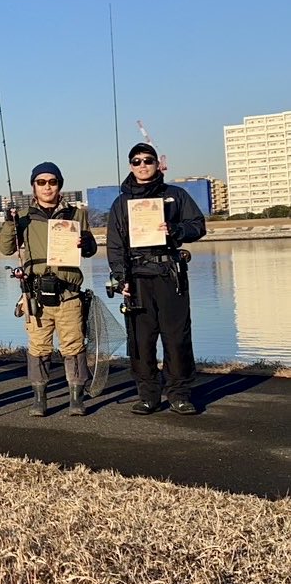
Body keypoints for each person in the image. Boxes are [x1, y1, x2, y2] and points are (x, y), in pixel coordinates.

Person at [107, 143, 206, 415]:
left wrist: (175, 229)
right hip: (137, 278)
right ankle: (149, 395)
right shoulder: (121, 202)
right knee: (141, 341)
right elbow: (114, 244)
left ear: (156, 164)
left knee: (176, 338)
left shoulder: (175, 195)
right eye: (136, 161)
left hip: (169, 276)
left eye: (147, 160)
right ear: (130, 166)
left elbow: (198, 226)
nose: (142, 165)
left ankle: (179, 394)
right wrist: (119, 277)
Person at [0, 162, 97, 416]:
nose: (47, 187)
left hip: (69, 293)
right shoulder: (22, 217)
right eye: (41, 182)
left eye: (52, 182)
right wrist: (10, 224)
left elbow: (89, 250)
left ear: (59, 185)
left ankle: (76, 397)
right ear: (33, 186)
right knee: (38, 347)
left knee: (74, 346)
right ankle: (39, 398)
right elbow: (6, 249)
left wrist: (86, 242)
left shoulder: (76, 214)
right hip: (36, 295)